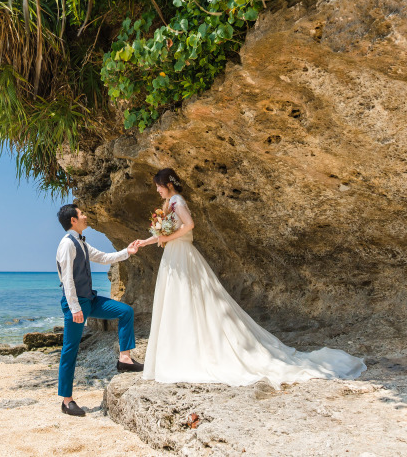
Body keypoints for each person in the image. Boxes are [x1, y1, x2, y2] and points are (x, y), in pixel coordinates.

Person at [135, 168, 366, 388]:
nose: (157, 190)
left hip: (181, 254)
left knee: (187, 300)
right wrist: (146, 242)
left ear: (167, 185)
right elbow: (162, 233)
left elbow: (190, 226)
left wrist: (170, 237)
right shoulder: (169, 204)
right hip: (174, 255)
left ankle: (187, 353)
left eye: (158, 186)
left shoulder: (178, 202)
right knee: (178, 301)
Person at [55, 204, 144, 417]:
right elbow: (67, 279)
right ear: (73, 220)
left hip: (90, 300)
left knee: (125, 311)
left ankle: (125, 359)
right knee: (70, 350)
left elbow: (104, 257)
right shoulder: (67, 245)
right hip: (75, 304)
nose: (85, 216)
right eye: (81, 213)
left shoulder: (81, 243)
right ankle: (67, 402)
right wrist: (75, 308)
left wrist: (127, 252)